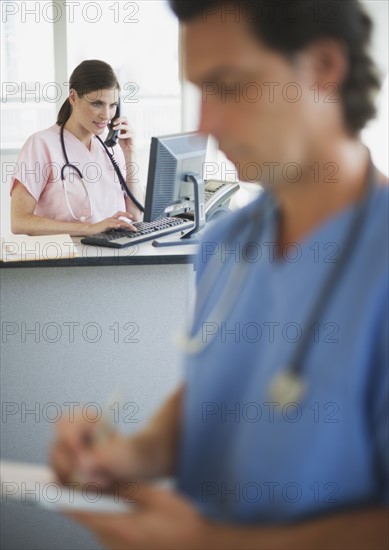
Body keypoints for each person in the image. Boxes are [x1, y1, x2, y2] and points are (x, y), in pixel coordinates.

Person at [51, 1, 388, 548]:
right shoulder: (227, 245)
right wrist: (129, 455)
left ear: (325, 67)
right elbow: (214, 394)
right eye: (199, 92)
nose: (205, 125)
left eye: (228, 87)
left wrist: (211, 542)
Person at [10, 59, 143, 236]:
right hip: (67, 258)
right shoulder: (41, 145)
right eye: (97, 103)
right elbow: (19, 222)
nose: (106, 115)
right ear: (73, 97)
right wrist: (88, 228)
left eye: (112, 106)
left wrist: (129, 153)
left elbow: (135, 215)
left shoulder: (112, 148)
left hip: (114, 253)